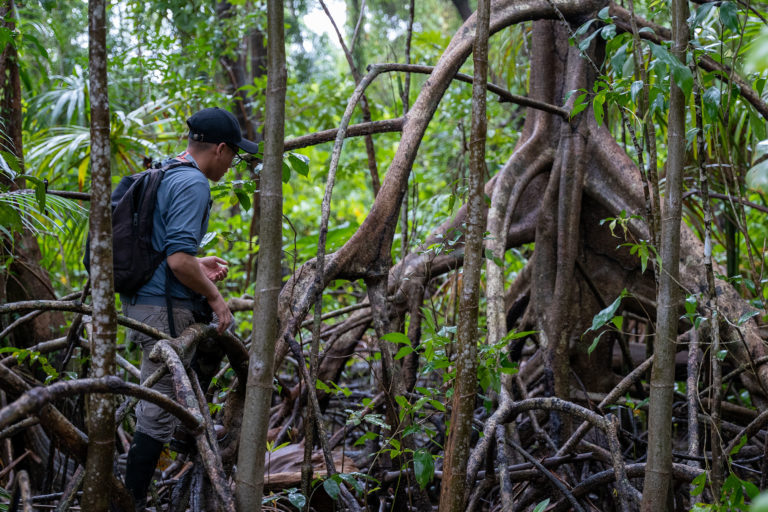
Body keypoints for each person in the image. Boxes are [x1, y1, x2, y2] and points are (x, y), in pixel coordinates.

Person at [122, 107, 259, 510]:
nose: (232, 163)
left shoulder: (167, 170)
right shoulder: (195, 184)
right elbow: (177, 261)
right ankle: (130, 502)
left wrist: (199, 264)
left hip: (145, 301)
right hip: (162, 311)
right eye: (233, 154)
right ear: (219, 148)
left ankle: (182, 439)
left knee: (175, 392)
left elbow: (167, 251)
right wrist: (216, 299)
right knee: (156, 414)